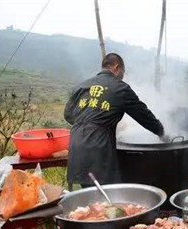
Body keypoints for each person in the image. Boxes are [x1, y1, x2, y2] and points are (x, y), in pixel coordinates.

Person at [64, 53, 165, 187]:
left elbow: (68, 114)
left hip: (76, 144)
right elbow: (143, 115)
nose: (123, 76)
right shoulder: (121, 88)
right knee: (107, 193)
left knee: (88, 193)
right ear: (117, 68)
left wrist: (91, 123)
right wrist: (161, 131)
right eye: (123, 72)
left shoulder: (81, 86)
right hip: (97, 146)